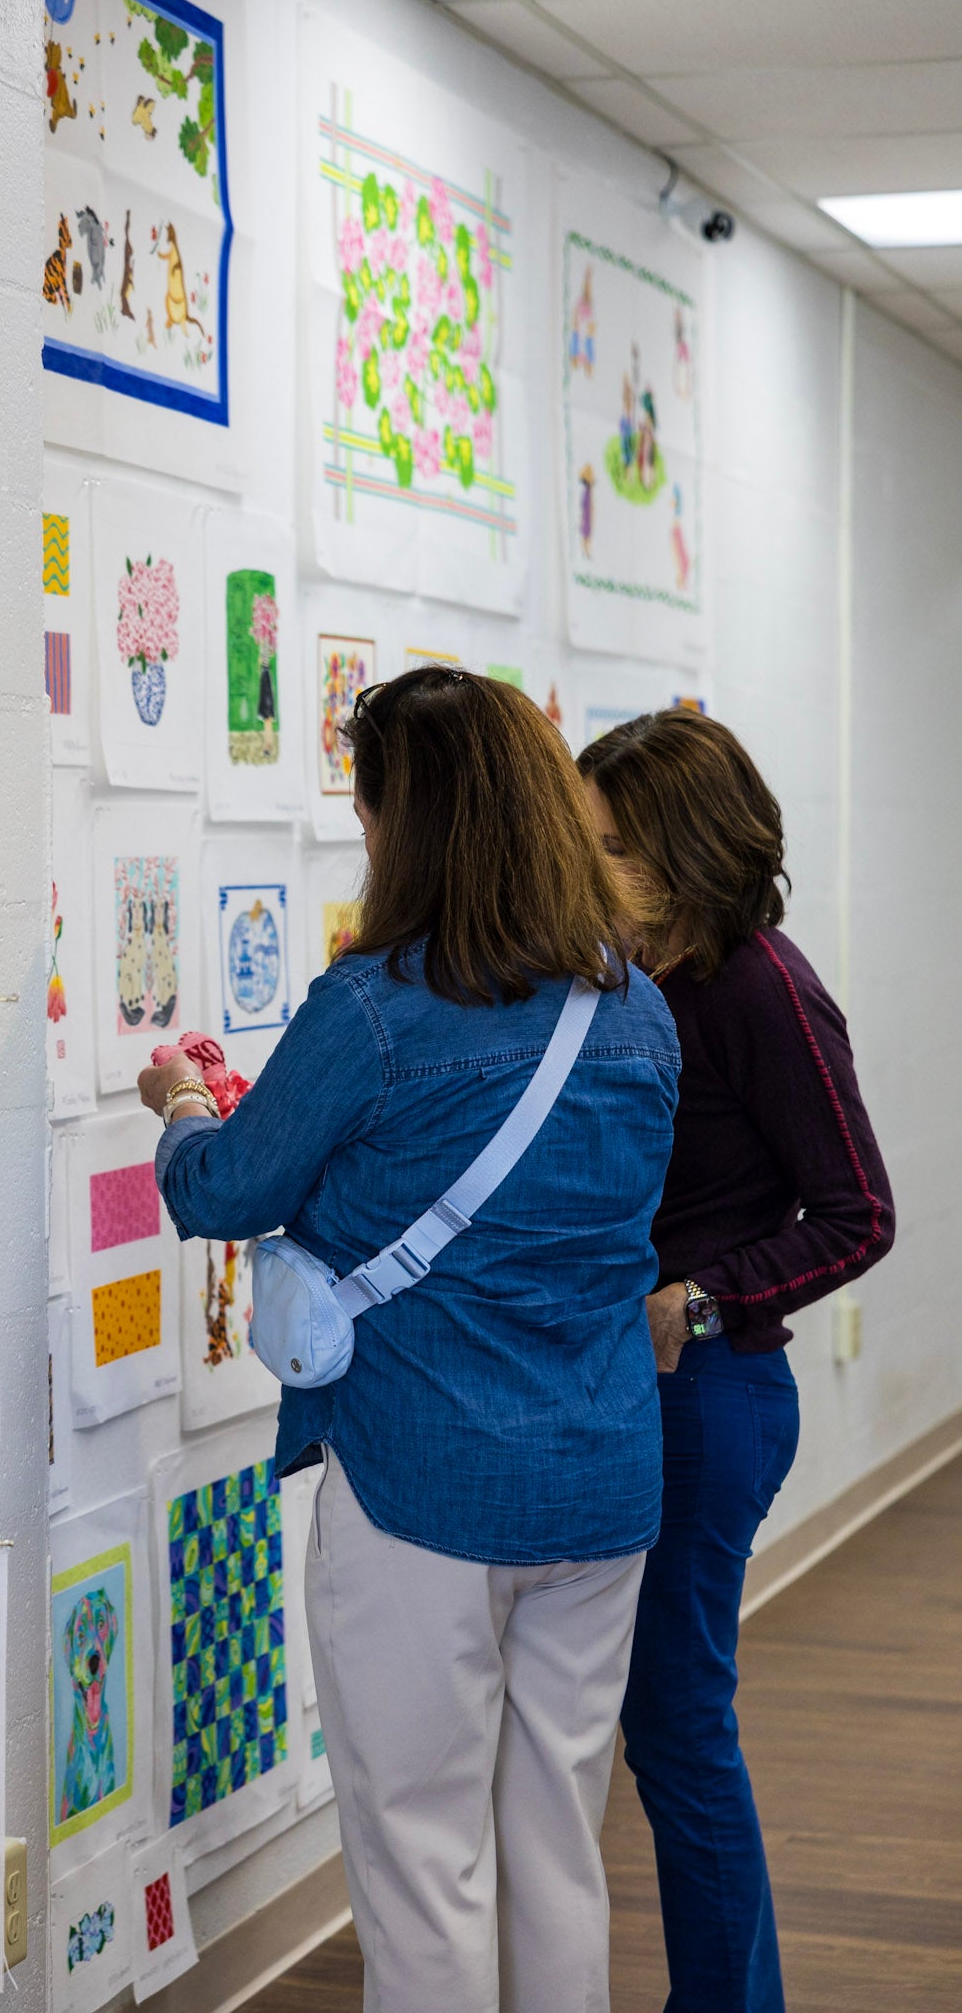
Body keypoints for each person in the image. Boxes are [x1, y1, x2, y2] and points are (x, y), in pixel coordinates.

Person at [139, 669, 681, 2013]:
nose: (364, 834)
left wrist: (180, 1111)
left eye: (368, 805)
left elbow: (225, 1192)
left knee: (422, 1856)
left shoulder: (372, 1006)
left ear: (409, 819)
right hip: (602, 1475)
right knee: (558, 1842)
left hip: (418, 1481)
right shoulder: (634, 1009)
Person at [578, 709, 895, 2013]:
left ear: (675, 847)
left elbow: (856, 1213)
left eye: (604, 841)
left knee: (676, 1727)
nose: (581, 861)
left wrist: (698, 1304)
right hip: (630, 1397)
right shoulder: (630, 974)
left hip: (709, 1400)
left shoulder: (762, 987)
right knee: (658, 1724)